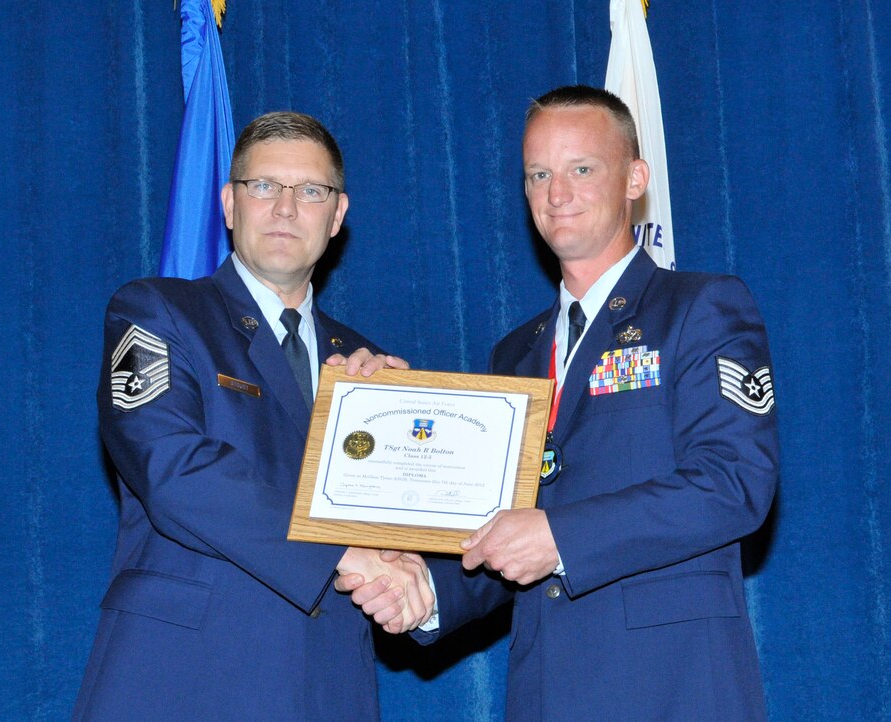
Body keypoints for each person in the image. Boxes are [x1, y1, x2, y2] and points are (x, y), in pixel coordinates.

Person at [344, 85, 780, 720]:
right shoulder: (515, 354)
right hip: (546, 690)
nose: (557, 193)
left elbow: (736, 484)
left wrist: (562, 536)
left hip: (675, 687)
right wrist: (426, 595)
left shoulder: (701, 308)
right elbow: (505, 532)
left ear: (634, 177)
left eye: (582, 168)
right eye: (538, 174)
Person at [74, 111, 434, 721]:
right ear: (229, 203)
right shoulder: (158, 313)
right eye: (264, 186)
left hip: (326, 687)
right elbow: (174, 470)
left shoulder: (369, 371)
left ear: (337, 215)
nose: (286, 208)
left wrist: (415, 578)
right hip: (181, 681)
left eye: (310, 191)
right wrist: (344, 555)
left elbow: (409, 532)